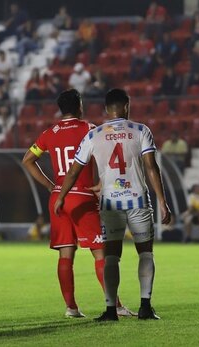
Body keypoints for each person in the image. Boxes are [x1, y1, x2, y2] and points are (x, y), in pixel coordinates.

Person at [54, 88, 172, 321]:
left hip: (110, 204)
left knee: (111, 257)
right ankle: (146, 307)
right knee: (145, 253)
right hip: (138, 199)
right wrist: (162, 201)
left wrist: (60, 196)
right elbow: (151, 167)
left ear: (106, 109)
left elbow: (74, 170)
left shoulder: (94, 134)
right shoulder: (140, 130)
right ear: (127, 106)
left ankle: (110, 310)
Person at [22, 89, 134, 318]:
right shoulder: (89, 129)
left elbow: (28, 160)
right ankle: (116, 305)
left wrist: (50, 185)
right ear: (80, 106)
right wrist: (104, 182)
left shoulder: (49, 133)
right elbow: (110, 157)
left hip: (59, 197)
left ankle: (71, 307)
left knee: (65, 254)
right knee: (100, 254)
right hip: (83, 195)